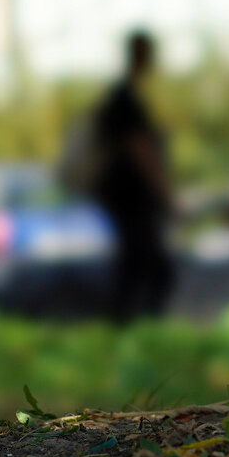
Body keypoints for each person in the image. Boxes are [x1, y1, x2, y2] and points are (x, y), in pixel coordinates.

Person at [90, 31, 175, 321]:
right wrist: (165, 195)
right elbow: (140, 151)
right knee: (149, 268)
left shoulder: (121, 96)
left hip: (122, 196)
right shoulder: (125, 100)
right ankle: (132, 328)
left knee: (137, 266)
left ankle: (126, 327)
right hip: (130, 197)